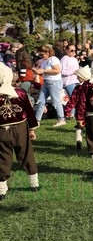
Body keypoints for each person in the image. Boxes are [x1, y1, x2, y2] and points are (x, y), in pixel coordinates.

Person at [0, 62, 40, 200]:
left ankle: (2, 189)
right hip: (20, 128)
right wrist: (32, 128)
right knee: (26, 153)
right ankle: (34, 183)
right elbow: (29, 112)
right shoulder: (20, 93)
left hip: (1, 131)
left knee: (3, 157)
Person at [33, 44, 66, 127]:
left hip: (54, 82)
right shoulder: (44, 61)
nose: (41, 56)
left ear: (47, 52)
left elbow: (57, 70)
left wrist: (43, 70)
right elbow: (45, 71)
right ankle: (37, 120)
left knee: (56, 101)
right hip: (47, 82)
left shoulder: (53, 59)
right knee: (41, 101)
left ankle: (61, 119)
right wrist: (38, 71)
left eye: (42, 54)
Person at [64, 65, 91, 149]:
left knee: (79, 126)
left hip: (80, 110)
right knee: (91, 127)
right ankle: (91, 143)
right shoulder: (92, 86)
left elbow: (73, 100)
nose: (77, 78)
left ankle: (79, 140)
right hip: (91, 110)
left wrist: (67, 111)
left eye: (78, 77)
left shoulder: (78, 87)